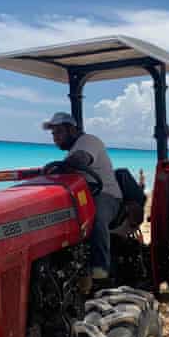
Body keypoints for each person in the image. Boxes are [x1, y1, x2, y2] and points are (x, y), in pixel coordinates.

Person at [42, 112, 122, 282]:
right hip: (86, 195)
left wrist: (61, 166)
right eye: (53, 134)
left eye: (58, 132)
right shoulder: (72, 150)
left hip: (106, 195)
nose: (55, 138)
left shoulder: (88, 141)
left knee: (95, 217)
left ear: (71, 129)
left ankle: (100, 270)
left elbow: (81, 159)